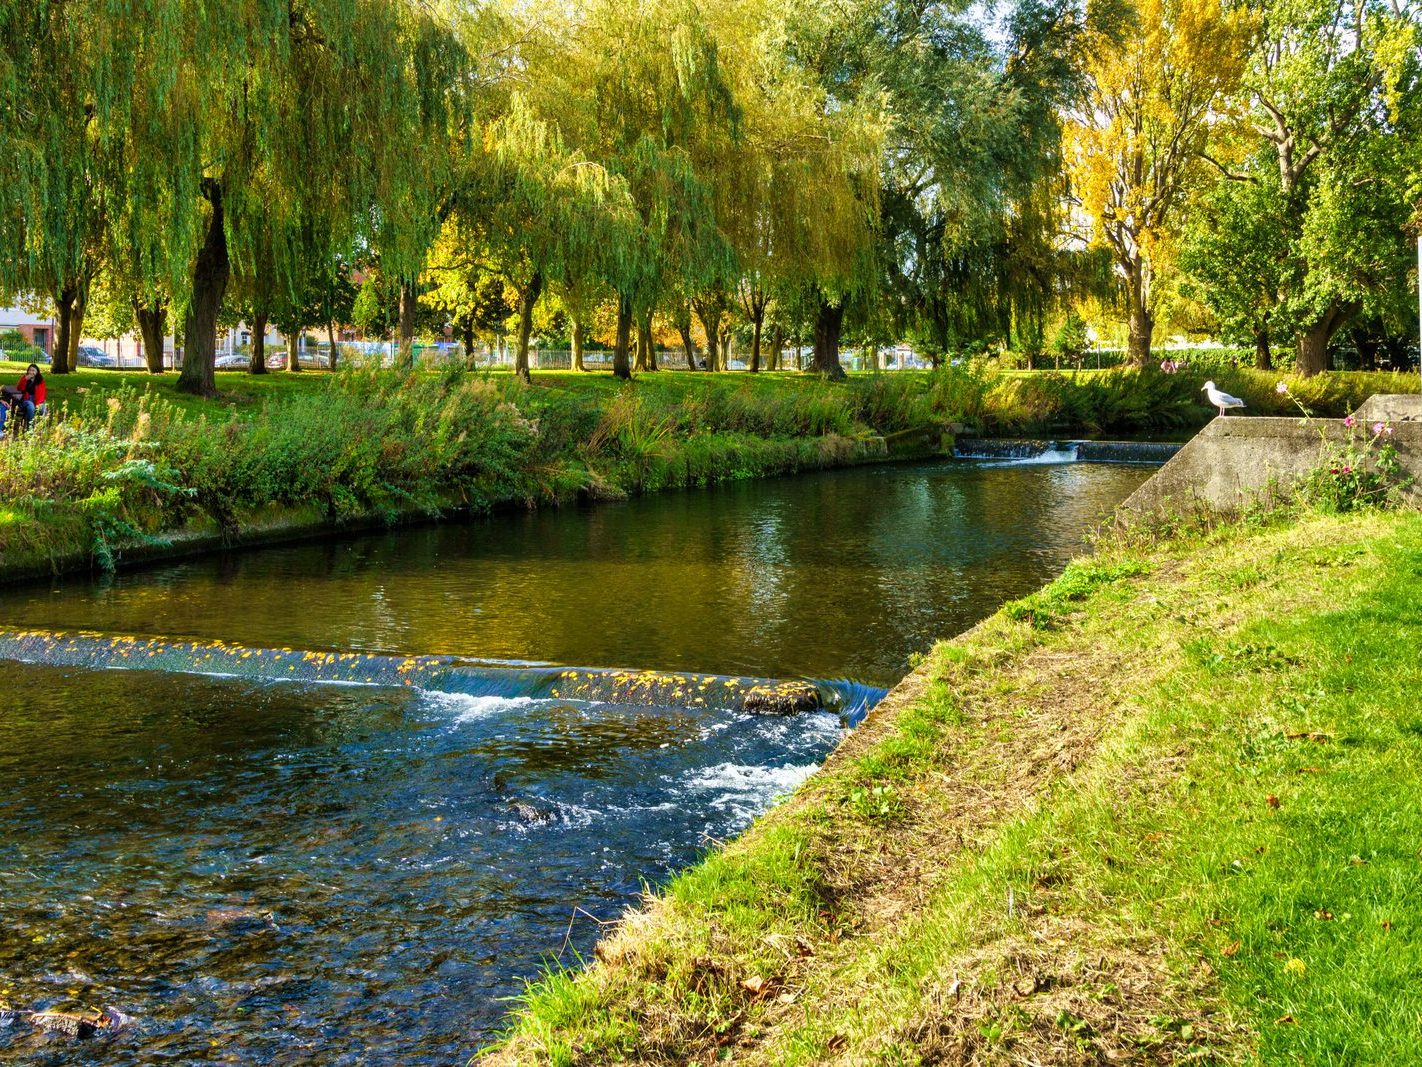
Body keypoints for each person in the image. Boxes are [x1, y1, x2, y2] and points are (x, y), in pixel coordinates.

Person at [14, 363, 45, 428]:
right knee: (31, 407)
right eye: (30, 370)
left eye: (33, 370)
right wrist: (25, 380)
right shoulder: (24, 378)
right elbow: (19, 388)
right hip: (26, 400)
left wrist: (38, 403)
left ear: (37, 372)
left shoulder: (40, 380)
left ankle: (42, 427)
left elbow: (42, 393)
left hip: (37, 400)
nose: (31, 372)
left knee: (43, 408)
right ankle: (30, 428)